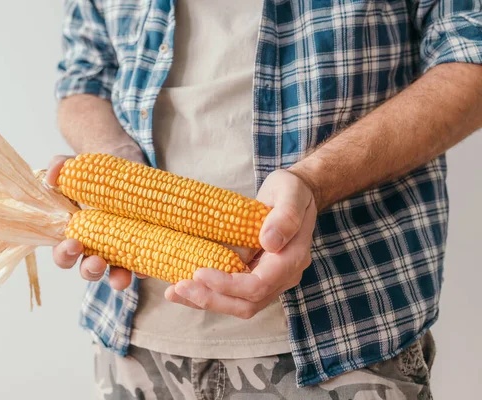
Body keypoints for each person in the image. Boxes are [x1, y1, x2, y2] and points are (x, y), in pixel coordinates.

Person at [45, 0, 482, 398]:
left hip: (344, 336)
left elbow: (471, 57)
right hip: (135, 338)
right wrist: (117, 168)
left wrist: (313, 182)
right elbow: (85, 78)